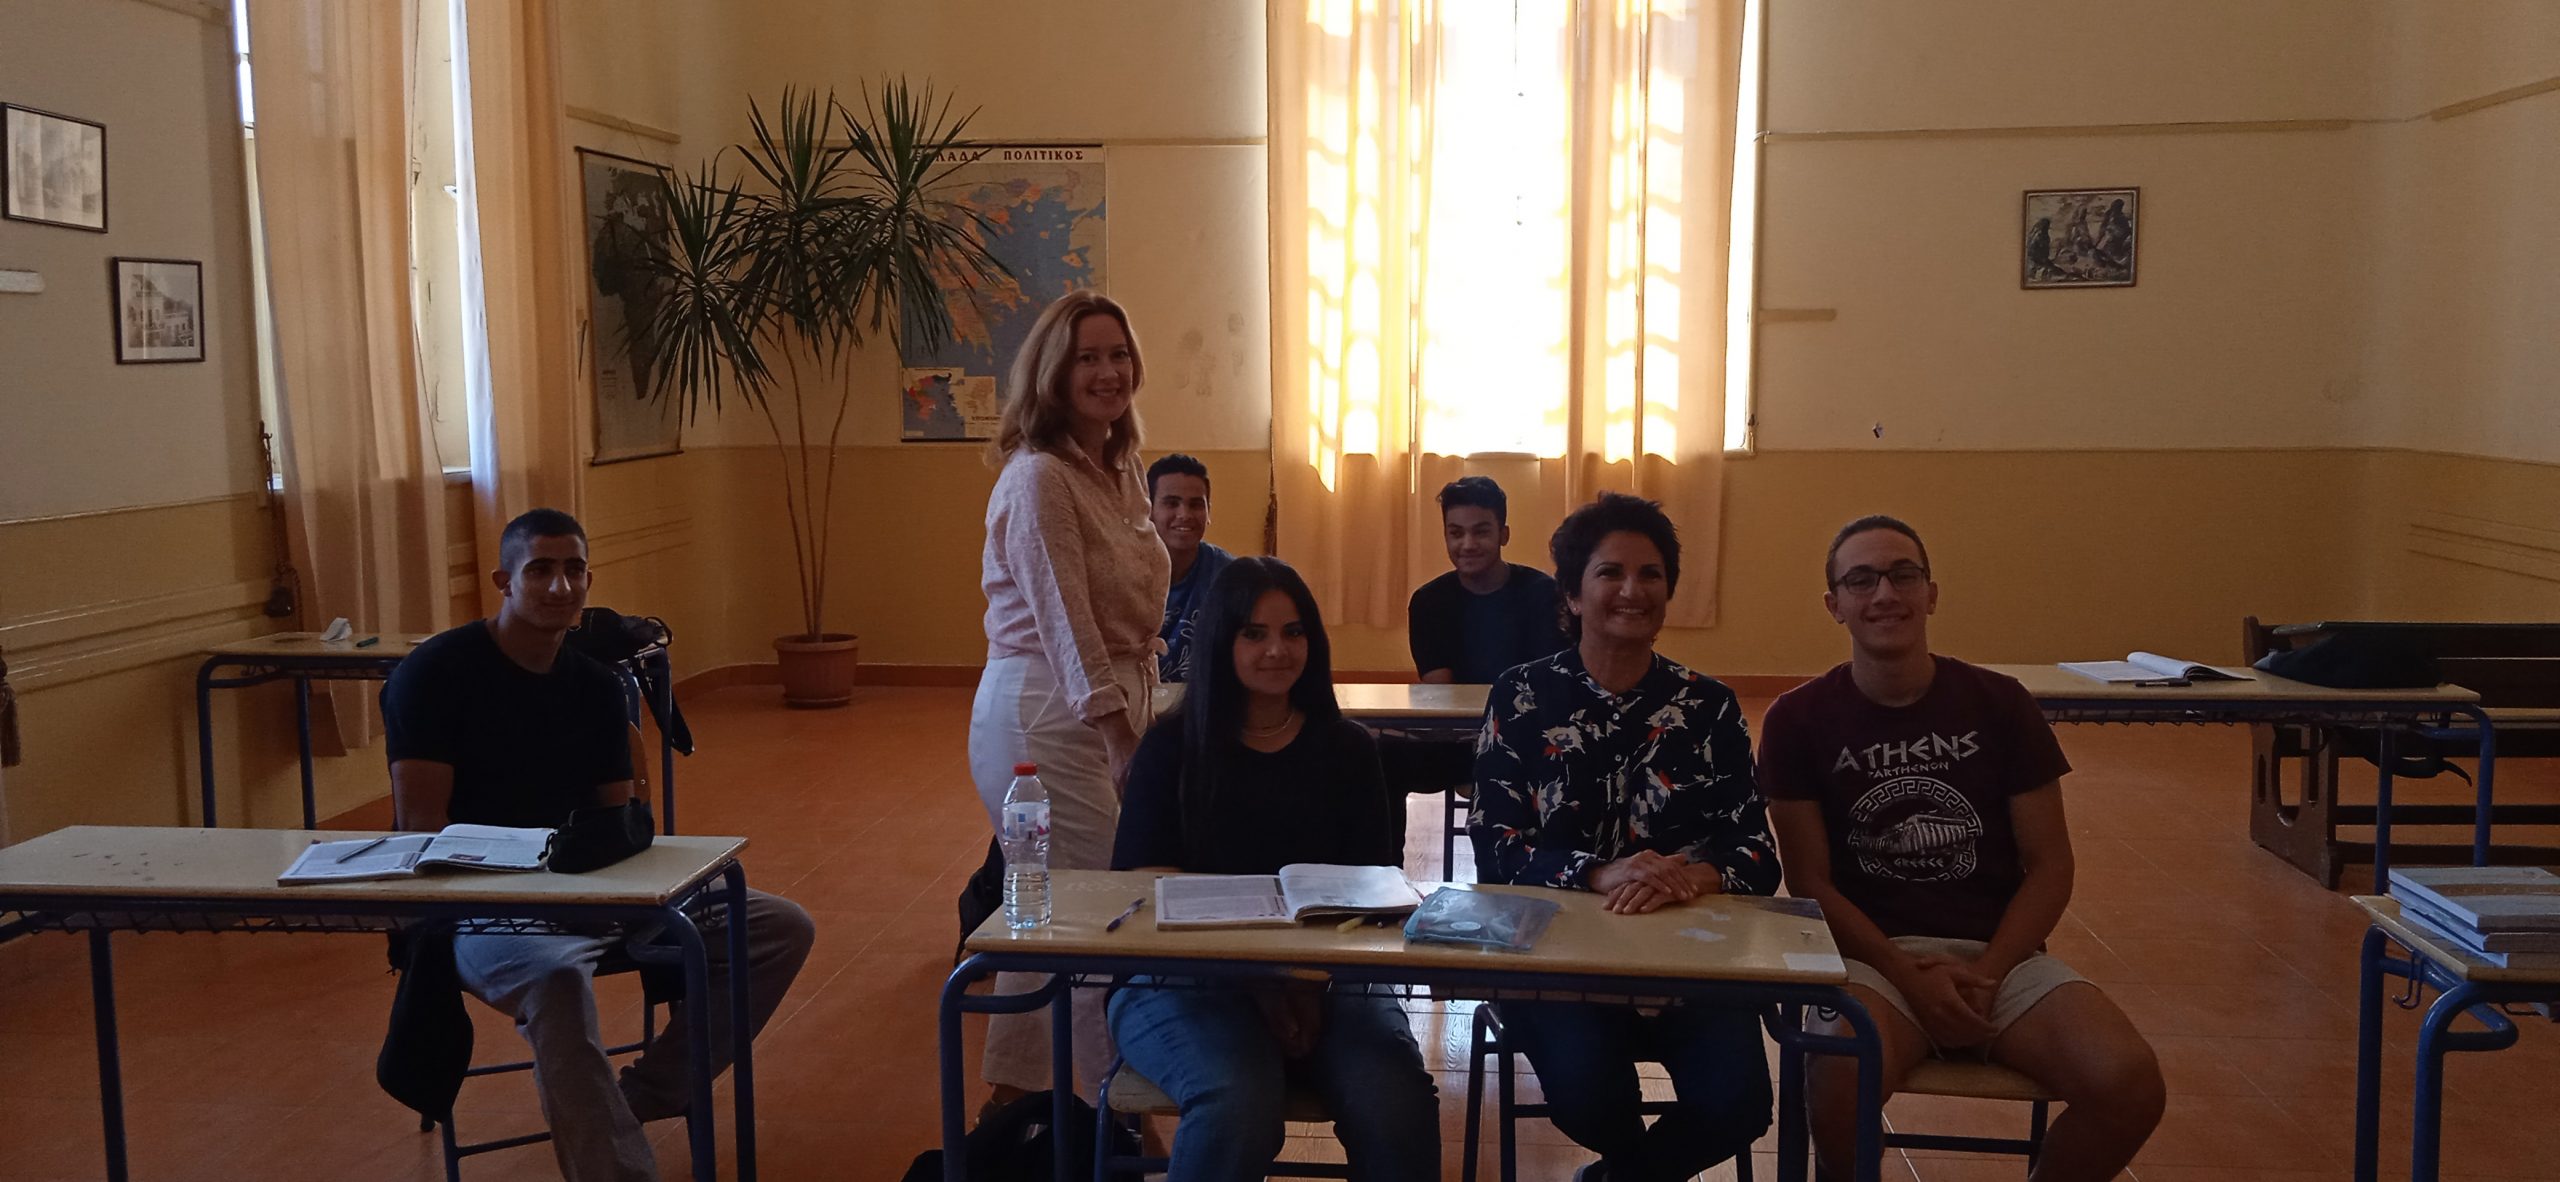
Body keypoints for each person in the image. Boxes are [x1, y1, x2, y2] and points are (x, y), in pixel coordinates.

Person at [383, 508, 816, 1182]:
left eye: (574, 570)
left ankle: (634, 1101)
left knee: (779, 927)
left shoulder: (593, 686)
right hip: (483, 907)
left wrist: (606, 889)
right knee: (557, 981)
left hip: (589, 888)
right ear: (503, 580)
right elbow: (423, 830)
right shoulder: (437, 672)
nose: (560, 587)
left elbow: (617, 824)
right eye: (540, 570)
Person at [1759, 515, 2164, 1181]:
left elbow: (2050, 865)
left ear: (1932, 593)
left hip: (1999, 959)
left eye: (1903, 574)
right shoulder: (1796, 719)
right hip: (1871, 960)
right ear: (1835, 605)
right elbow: (1810, 883)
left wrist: (1987, 975)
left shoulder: (2000, 703)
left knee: (2129, 1084)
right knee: (1837, 1078)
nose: (1885, 593)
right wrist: (1908, 976)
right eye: (1861, 580)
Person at [1469, 492, 1780, 1182]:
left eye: (1651, 574)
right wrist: (1598, 871)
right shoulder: (1520, 695)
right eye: (1610, 573)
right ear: (1572, 595)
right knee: (1589, 1097)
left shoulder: (1709, 707)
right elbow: (1494, 846)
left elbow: (1756, 854)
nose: (1632, 591)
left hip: (1688, 959)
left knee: (1739, 1103)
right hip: (1557, 962)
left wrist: (1685, 877)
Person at [1109, 556, 1438, 1181]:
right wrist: (1260, 982)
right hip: (1181, 979)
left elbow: (1376, 889)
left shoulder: (1347, 748)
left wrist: (1307, 984)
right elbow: (1142, 888)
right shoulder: (1172, 747)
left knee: (1395, 1101)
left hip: (1333, 979)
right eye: (1253, 633)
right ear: (1221, 642)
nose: (1277, 651)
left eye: (1293, 632)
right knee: (1237, 1104)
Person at [970, 289, 1172, 1105]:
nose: (1107, 371)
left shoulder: (1121, 467)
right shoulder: (1039, 477)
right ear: (1053, 372)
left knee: (1052, 904)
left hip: (1108, 696)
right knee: (1101, 911)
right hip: (1048, 714)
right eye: (1087, 357)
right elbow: (1064, 617)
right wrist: (1120, 735)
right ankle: (1112, 1111)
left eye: (1118, 354)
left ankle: (1015, 1101)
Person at [1408, 475, 1567, 684]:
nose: (1468, 545)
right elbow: (1439, 693)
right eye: (1456, 533)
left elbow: (1549, 683)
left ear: (1504, 535)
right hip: (1456, 706)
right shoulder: (1428, 602)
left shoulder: (1545, 595)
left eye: (1481, 532)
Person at [1147, 452, 1234, 683]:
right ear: (1148, 510)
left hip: (1204, 701)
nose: (1184, 515)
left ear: (1208, 512)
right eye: (1171, 503)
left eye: (1196, 505)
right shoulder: (1121, 574)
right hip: (1134, 700)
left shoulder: (1229, 576)